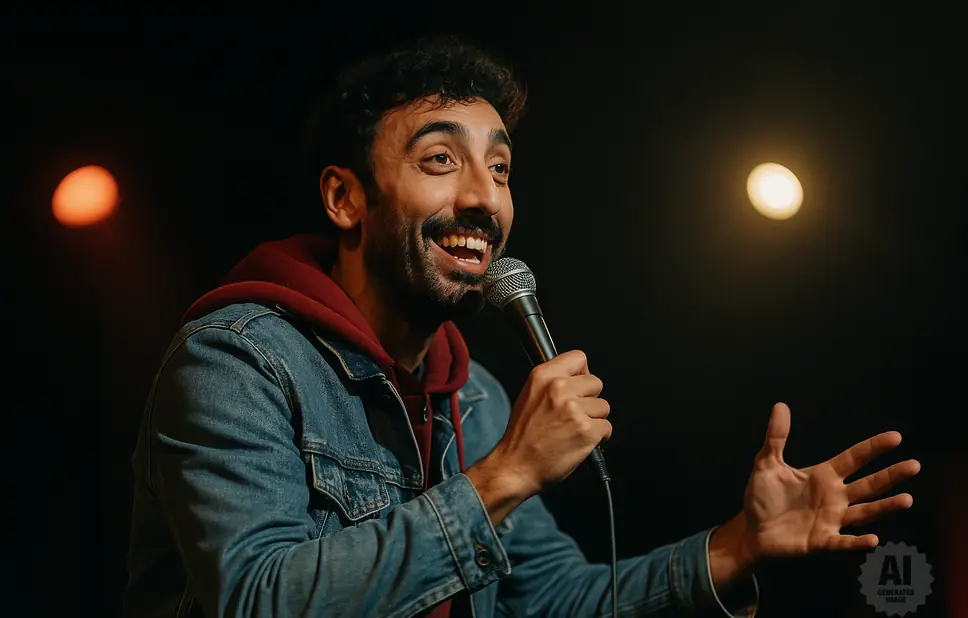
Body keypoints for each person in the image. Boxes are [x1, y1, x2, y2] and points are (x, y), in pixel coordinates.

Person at [124, 36, 921, 618]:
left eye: (499, 167)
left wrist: (737, 547)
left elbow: (552, 601)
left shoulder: (474, 399)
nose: (485, 198)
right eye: (441, 161)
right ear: (345, 199)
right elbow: (258, 601)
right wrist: (504, 476)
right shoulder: (236, 361)